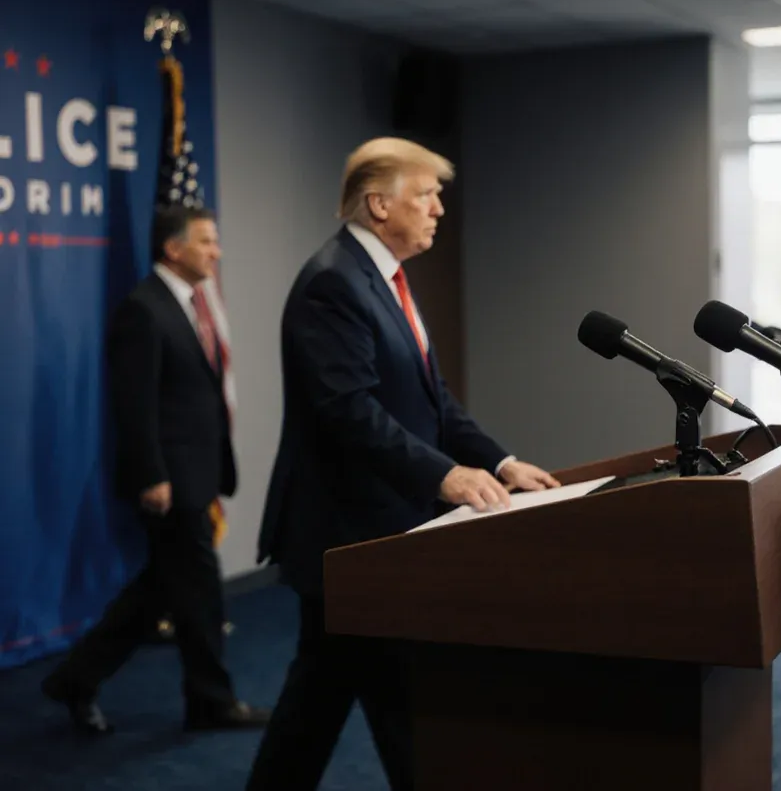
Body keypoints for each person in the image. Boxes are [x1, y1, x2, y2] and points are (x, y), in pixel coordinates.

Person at [246, 137, 560, 790]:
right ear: (379, 203)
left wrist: (501, 462)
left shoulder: (382, 277)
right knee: (367, 698)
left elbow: (432, 399)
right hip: (349, 534)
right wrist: (446, 474)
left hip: (380, 532)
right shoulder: (333, 282)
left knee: (341, 697)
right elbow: (348, 410)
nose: (439, 209)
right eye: (426, 195)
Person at [41, 206, 271, 734]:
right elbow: (134, 403)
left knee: (162, 590)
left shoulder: (187, 304)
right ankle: (211, 701)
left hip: (196, 472)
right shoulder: (142, 310)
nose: (216, 252)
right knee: (197, 586)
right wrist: (152, 475)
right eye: (206, 242)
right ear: (173, 248)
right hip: (171, 478)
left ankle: (75, 679)